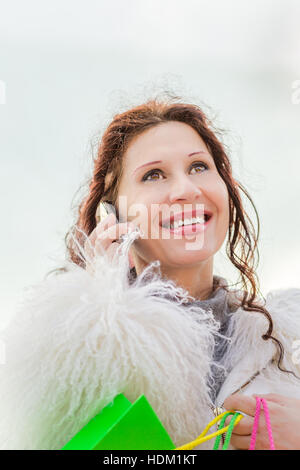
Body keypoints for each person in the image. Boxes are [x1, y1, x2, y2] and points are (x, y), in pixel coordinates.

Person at [1, 97, 300, 450]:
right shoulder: (68, 358)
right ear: (111, 215)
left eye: (199, 167)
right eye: (153, 175)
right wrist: (98, 304)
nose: (187, 189)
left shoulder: (289, 339)